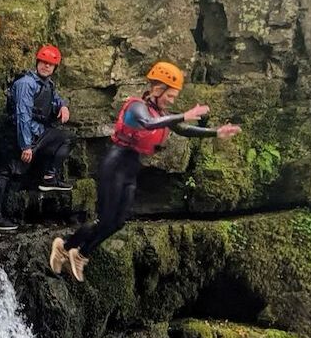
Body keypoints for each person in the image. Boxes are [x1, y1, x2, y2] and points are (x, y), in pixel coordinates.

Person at [49, 61, 241, 282]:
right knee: (104, 218)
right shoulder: (137, 107)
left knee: (119, 221)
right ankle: (64, 247)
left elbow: (184, 129)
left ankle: (81, 254)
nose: (172, 100)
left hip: (131, 167)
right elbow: (149, 124)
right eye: (170, 95)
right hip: (115, 163)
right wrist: (183, 115)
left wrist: (216, 133)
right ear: (158, 90)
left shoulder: (161, 113)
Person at [0, 44, 73, 233]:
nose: (46, 66)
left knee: (65, 138)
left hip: (36, 133)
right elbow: (22, 114)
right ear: (37, 62)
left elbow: (54, 98)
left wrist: (63, 105)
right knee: (5, 172)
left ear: (54, 68)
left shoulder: (46, 83)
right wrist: (26, 145)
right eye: (43, 62)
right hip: (17, 135)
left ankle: (49, 177)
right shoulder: (26, 83)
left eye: (50, 64)